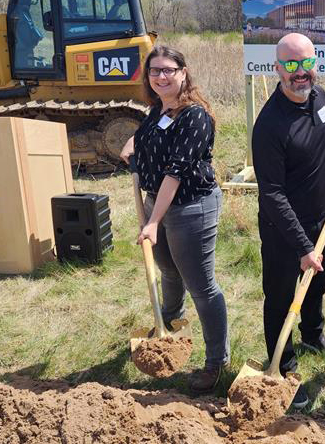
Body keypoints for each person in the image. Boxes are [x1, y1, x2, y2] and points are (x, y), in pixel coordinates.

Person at [252, 32, 325, 409]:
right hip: (284, 230)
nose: (300, 73)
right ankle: (281, 365)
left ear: (314, 64)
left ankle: (313, 336)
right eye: (291, 65)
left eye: (306, 63)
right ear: (277, 68)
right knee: (284, 297)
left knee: (318, 285)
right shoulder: (270, 126)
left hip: (321, 217)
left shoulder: (318, 96)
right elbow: (272, 194)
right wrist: (302, 247)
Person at [126, 45, 229, 393]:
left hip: (190, 208)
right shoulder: (157, 110)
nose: (161, 76)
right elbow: (147, 139)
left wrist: (152, 221)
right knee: (169, 270)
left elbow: (175, 172)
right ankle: (166, 327)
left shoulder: (194, 115)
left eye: (168, 70)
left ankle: (217, 361)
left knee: (202, 287)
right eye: (154, 71)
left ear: (183, 72)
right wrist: (133, 144)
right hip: (159, 203)